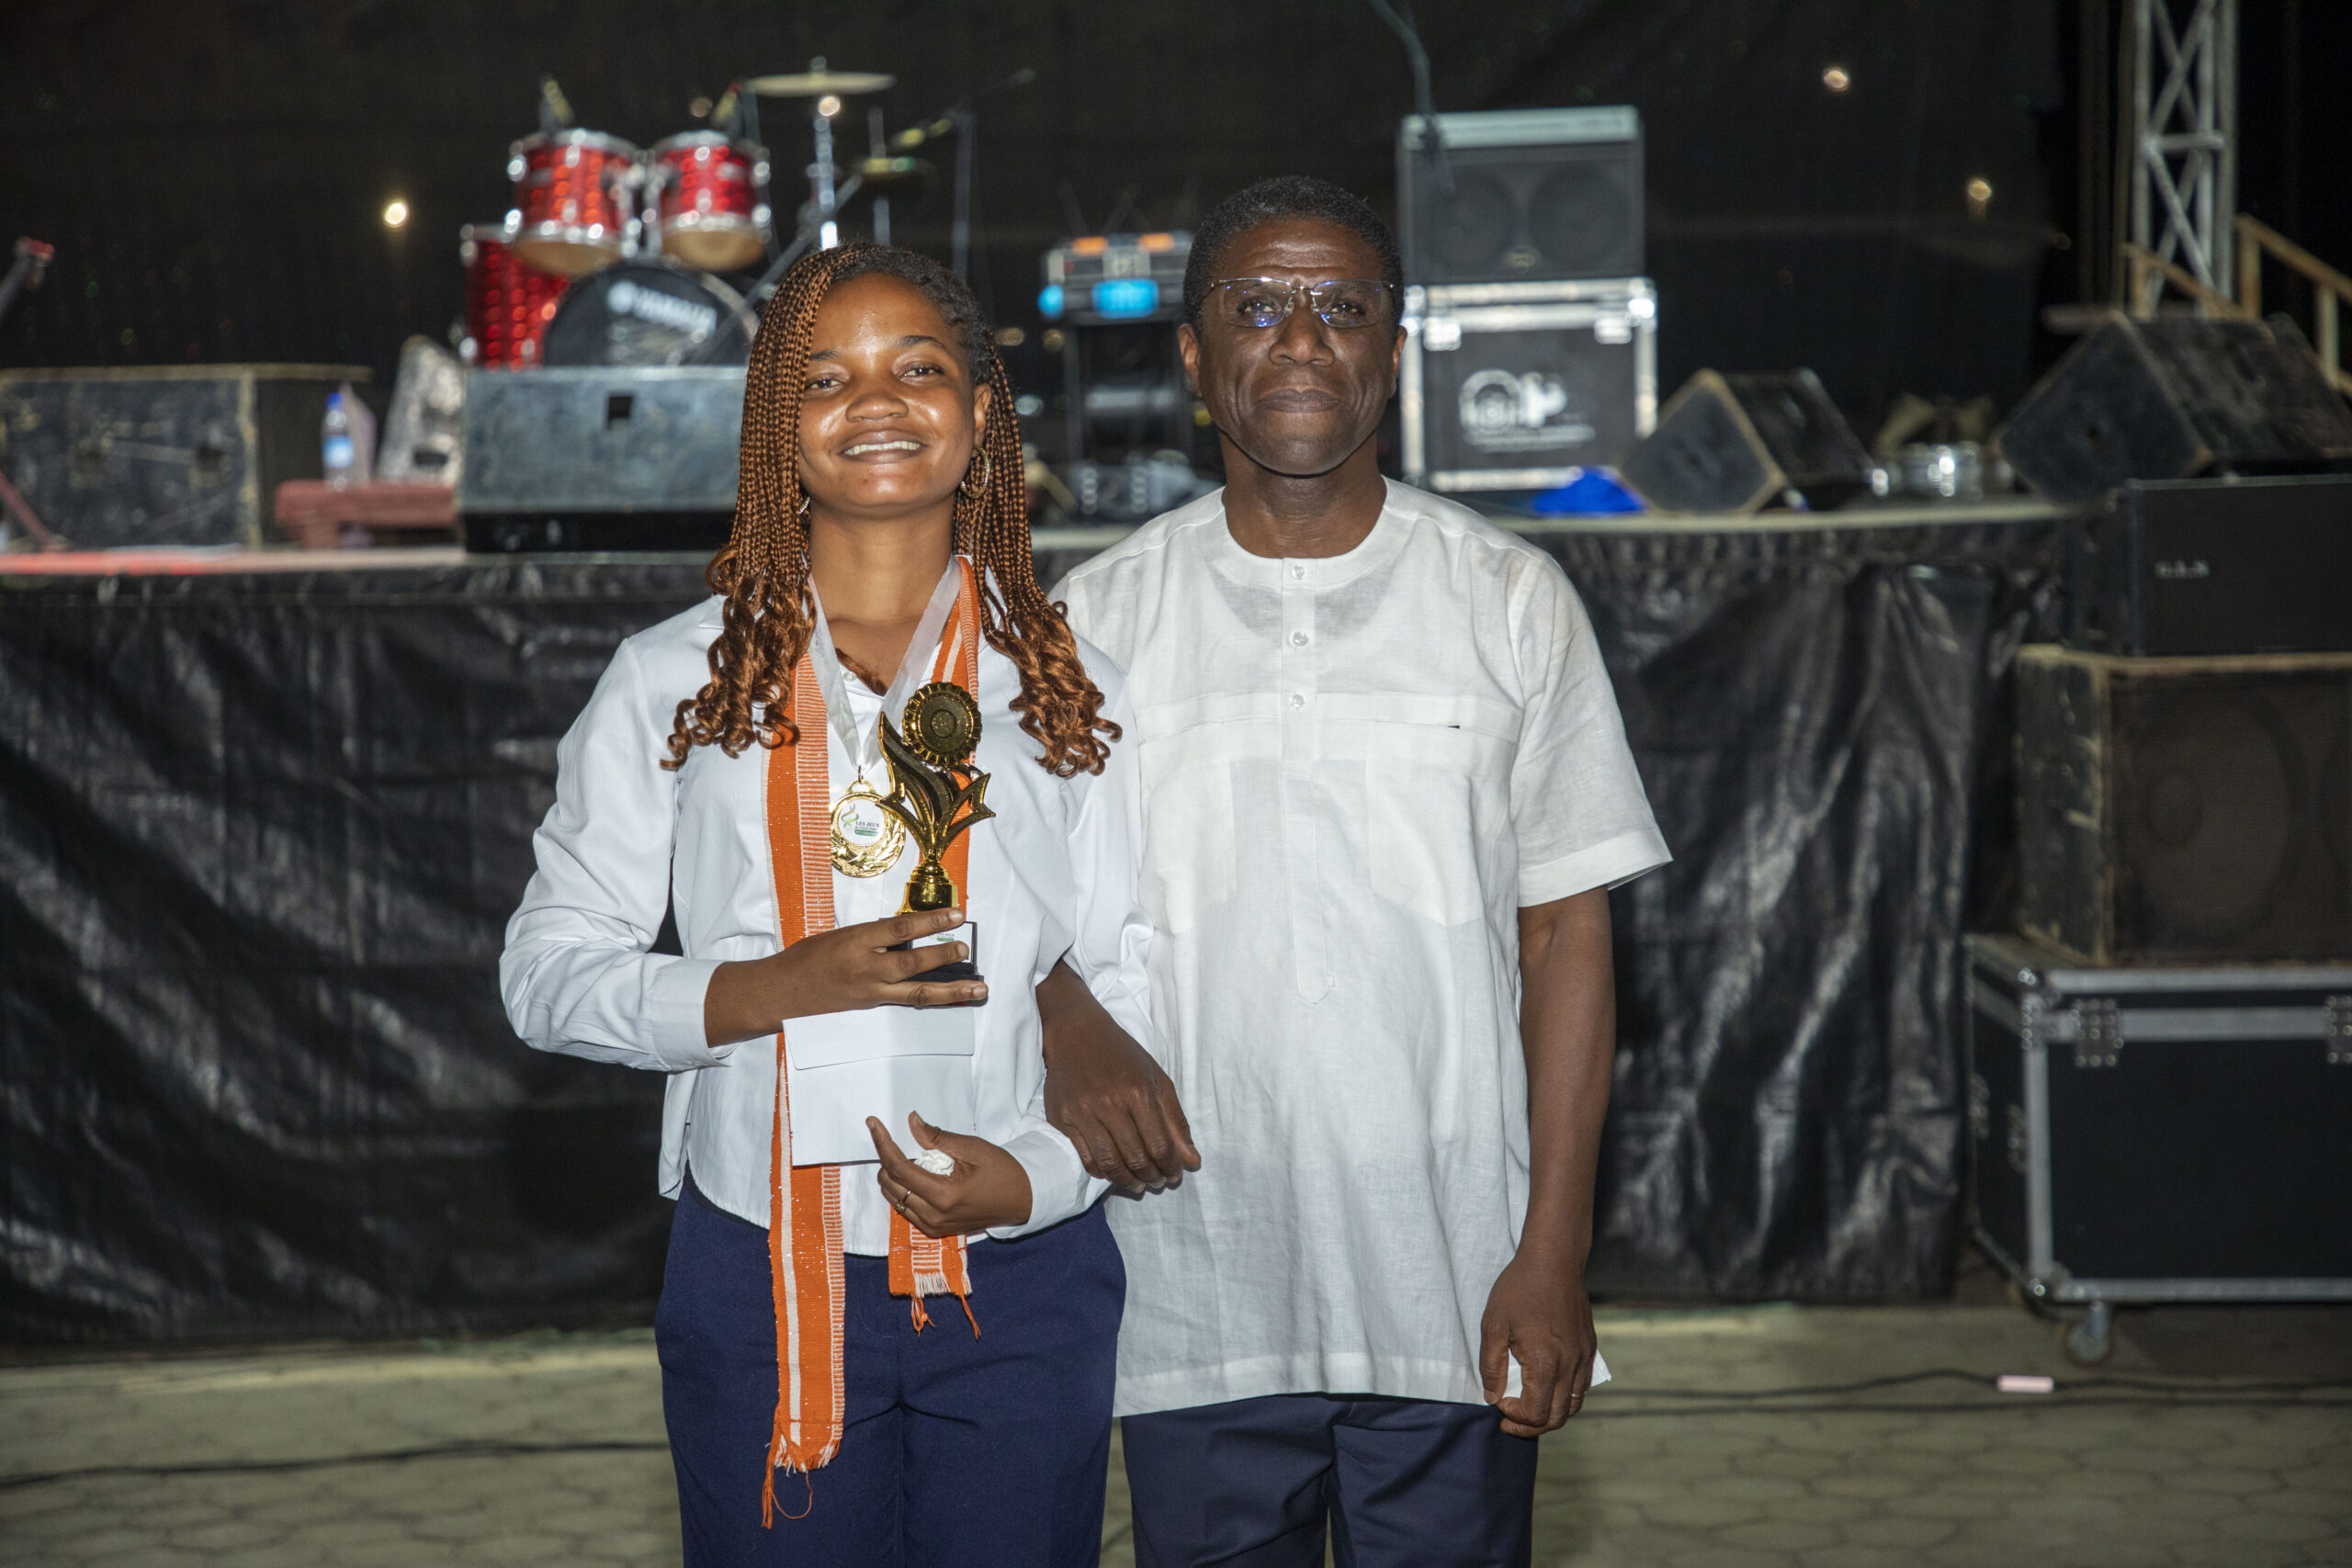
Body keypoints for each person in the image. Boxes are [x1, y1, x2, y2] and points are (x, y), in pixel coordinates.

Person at [1046, 176, 1670, 1566]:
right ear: (1194, 355)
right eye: (1257, 306)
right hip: (1194, 1281)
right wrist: (1064, 1017)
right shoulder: (1098, 620)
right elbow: (1014, 910)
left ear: (1393, 350)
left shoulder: (1507, 599)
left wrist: (1553, 1252)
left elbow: (1567, 938)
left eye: (1341, 307)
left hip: (1454, 1278)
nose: (1301, 339)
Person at [501, 243, 1150, 1567]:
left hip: (1020, 1273)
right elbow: (546, 975)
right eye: (824, 378)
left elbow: (1138, 972)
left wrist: (1036, 1177)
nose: (878, 403)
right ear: (772, 425)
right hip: (756, 1271)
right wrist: (771, 989)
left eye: (919, 368)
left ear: (981, 410)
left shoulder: (1069, 685)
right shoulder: (672, 681)